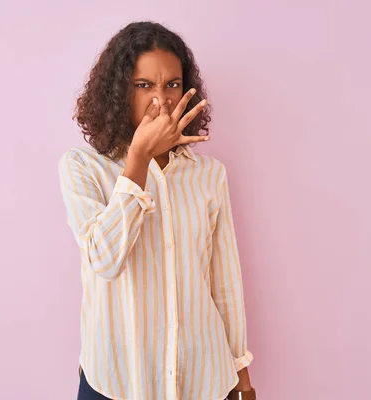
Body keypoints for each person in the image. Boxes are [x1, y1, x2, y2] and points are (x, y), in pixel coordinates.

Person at [59, 21, 256, 400]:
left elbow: (224, 285)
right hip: (116, 381)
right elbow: (105, 259)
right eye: (143, 85)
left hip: (201, 380)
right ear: (119, 91)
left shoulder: (208, 175)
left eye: (173, 84)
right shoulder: (82, 167)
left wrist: (242, 383)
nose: (161, 100)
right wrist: (138, 158)